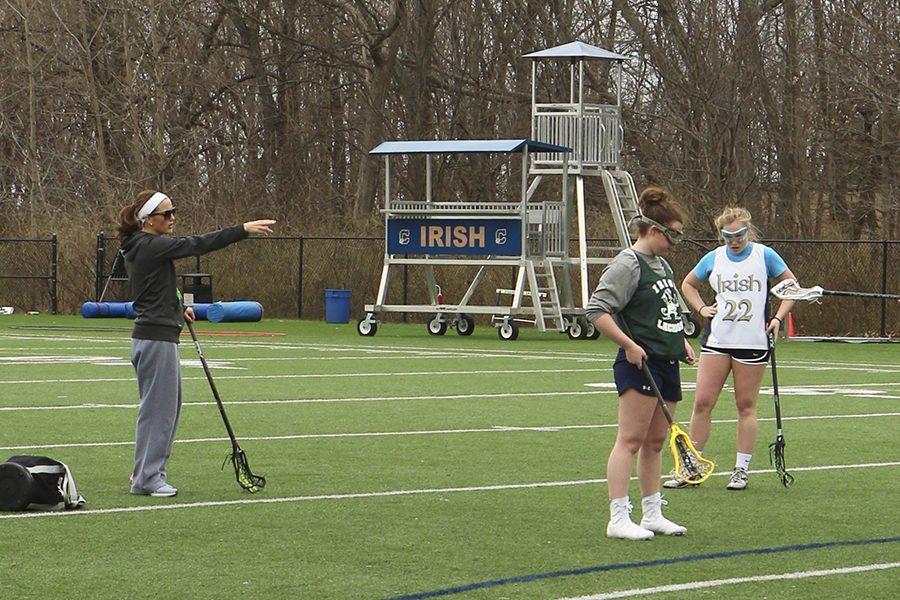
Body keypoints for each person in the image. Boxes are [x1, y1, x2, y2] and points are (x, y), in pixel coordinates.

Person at [116, 190, 275, 497]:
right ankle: (148, 479)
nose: (172, 218)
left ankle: (144, 473)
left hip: (154, 335)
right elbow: (199, 243)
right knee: (160, 412)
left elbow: (155, 286)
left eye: (173, 211)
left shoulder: (141, 246)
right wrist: (241, 230)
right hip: (156, 339)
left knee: (161, 410)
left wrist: (178, 306)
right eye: (166, 214)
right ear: (147, 220)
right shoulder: (151, 245)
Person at [586, 187, 696, 541]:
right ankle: (618, 517)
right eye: (671, 235)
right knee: (630, 440)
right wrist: (629, 345)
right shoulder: (626, 264)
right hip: (639, 364)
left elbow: (666, 311)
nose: (673, 244)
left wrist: (680, 341)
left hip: (667, 362)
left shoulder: (661, 264)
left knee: (655, 442)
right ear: (653, 231)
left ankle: (652, 513)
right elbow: (597, 311)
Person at [664, 207, 795, 491]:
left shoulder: (765, 255)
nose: (734, 241)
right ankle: (692, 467)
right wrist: (700, 308)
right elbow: (688, 284)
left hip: (752, 342)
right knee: (702, 402)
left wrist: (777, 319)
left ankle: (741, 469)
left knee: (745, 405)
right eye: (727, 236)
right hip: (718, 341)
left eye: (739, 235)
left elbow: (791, 285)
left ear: (747, 230)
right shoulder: (715, 257)